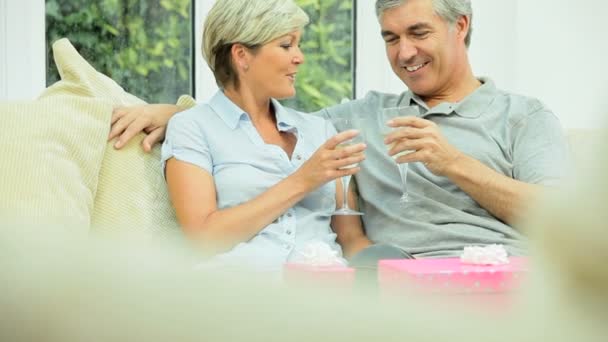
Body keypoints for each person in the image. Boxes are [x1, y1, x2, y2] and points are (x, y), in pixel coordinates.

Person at [109, 0, 569, 266]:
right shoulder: (359, 117)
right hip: (395, 285)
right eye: (390, 38)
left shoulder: (523, 117)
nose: (404, 52)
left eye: (418, 32)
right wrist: (179, 112)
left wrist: (454, 163)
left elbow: (564, 224)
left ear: (460, 27)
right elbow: (255, 116)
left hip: (500, 279)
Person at [126, 0, 368, 271]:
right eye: (286, 45)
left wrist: (398, 273)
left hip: (327, 294)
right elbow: (203, 238)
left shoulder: (320, 130)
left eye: (299, 45)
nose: (300, 57)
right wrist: (303, 180)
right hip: (238, 295)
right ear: (241, 55)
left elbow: (351, 240)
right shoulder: (191, 128)